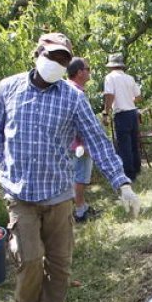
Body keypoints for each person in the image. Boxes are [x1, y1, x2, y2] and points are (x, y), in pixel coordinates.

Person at [0, 33, 140, 302]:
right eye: (53, 56)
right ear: (38, 54)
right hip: (20, 194)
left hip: (59, 193)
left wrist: (121, 182)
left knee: (59, 265)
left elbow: (97, 141)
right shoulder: (8, 89)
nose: (58, 64)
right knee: (29, 260)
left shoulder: (72, 98)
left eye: (63, 60)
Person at [102, 53, 142, 183]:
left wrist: (105, 112)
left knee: (124, 145)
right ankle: (136, 168)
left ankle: (129, 174)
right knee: (134, 142)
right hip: (132, 112)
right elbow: (138, 96)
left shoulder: (110, 78)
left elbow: (109, 96)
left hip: (121, 114)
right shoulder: (129, 78)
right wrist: (128, 100)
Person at [66, 57, 97, 224]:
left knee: (77, 176)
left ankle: (82, 206)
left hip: (71, 143)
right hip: (78, 144)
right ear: (79, 72)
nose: (89, 71)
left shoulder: (68, 89)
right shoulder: (76, 92)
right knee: (80, 177)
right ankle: (79, 211)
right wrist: (84, 142)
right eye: (87, 68)